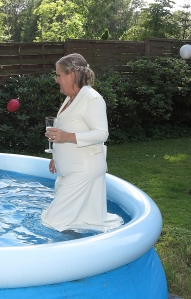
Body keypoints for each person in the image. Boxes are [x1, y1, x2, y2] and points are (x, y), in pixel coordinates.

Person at [41, 53, 123, 232]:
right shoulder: (71, 98)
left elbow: (102, 134)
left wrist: (65, 137)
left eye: (58, 75)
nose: (56, 80)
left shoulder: (92, 98)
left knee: (53, 221)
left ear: (71, 75)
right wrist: (57, 155)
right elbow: (72, 128)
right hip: (71, 169)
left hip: (84, 170)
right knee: (76, 222)